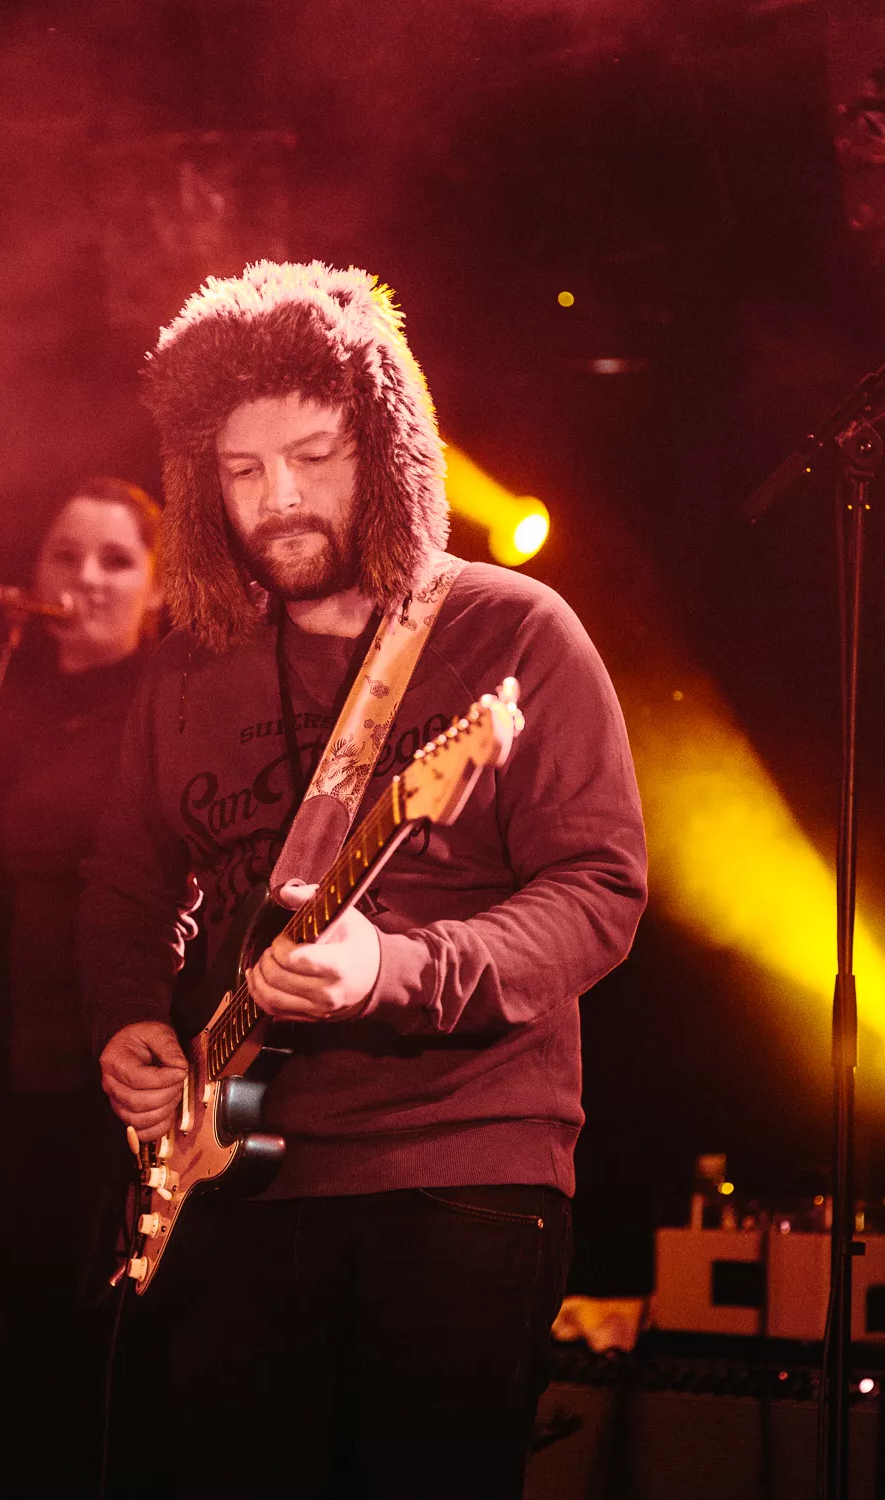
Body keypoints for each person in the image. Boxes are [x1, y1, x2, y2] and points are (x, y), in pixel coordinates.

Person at [79, 261, 647, 1500]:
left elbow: (598, 889)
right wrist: (128, 1020)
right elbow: (127, 884)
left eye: (313, 457)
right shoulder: (188, 669)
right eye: (242, 471)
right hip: (229, 1178)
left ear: (383, 456)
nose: (277, 499)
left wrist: (396, 967)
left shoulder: (511, 633)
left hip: (461, 1174)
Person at [0, 477, 163, 1498]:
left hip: (110, 1091)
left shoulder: (159, 717)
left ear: (157, 588)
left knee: (88, 1372)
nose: (85, 578)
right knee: (0, 1362)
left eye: (115, 560)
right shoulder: (3, 717)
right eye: (66, 554)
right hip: (6, 1086)